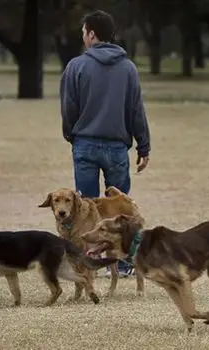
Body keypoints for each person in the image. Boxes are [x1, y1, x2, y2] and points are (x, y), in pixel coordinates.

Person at [59, 10, 150, 276]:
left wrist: (72, 135)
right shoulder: (129, 68)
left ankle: (87, 264)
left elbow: (68, 108)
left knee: (84, 210)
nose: (82, 36)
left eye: (84, 32)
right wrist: (143, 145)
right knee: (121, 212)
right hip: (117, 147)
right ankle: (123, 263)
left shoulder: (76, 66)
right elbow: (136, 110)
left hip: (85, 144)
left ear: (91, 34)